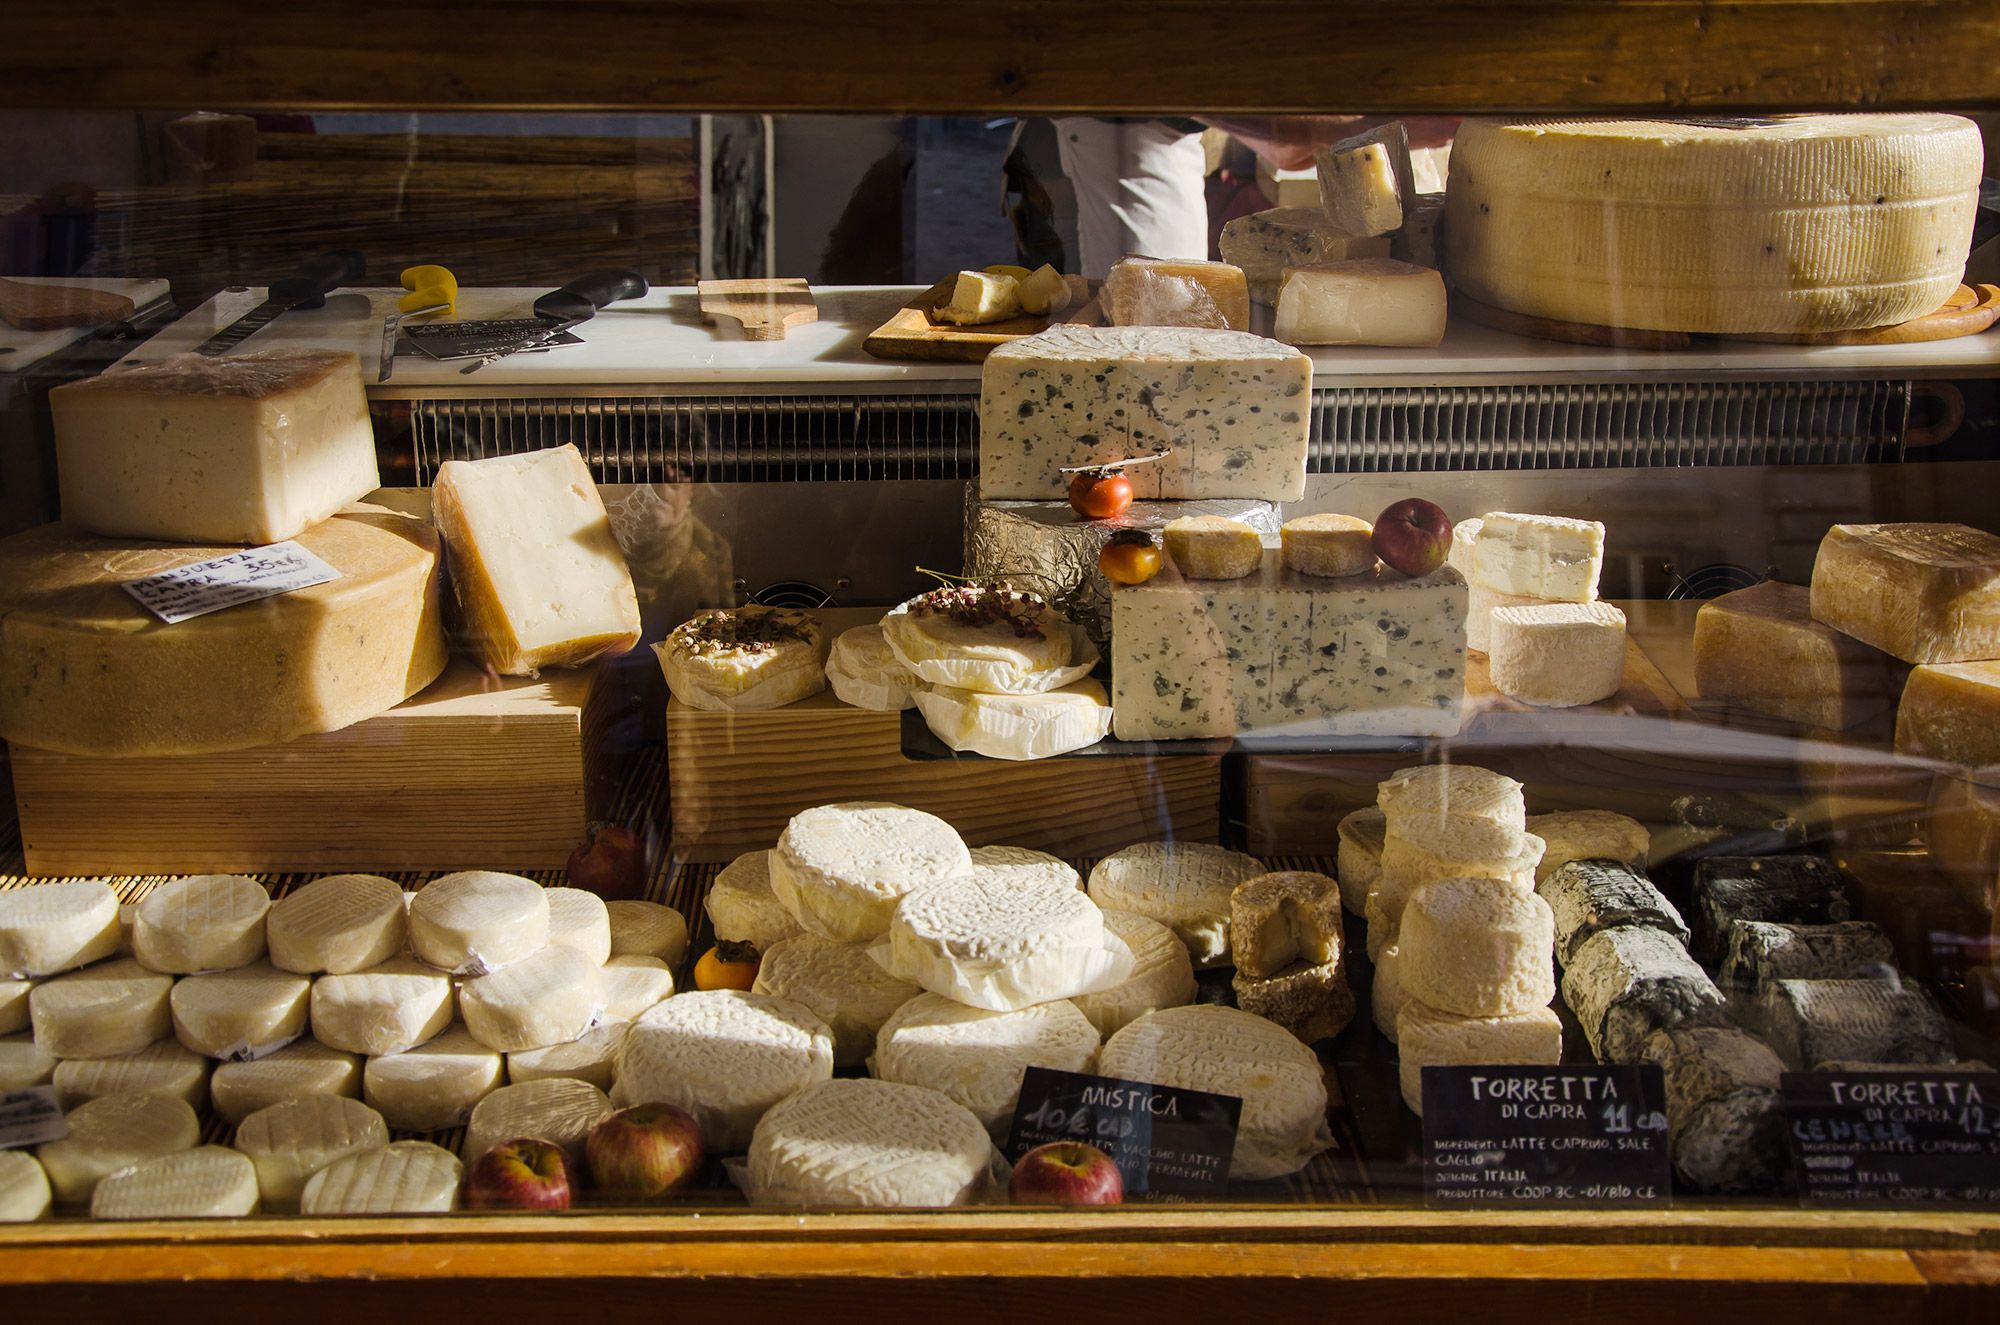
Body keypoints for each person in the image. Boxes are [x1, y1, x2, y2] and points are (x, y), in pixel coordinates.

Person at [1053, 115, 1459, 277]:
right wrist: (1293, 128)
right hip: (1122, 115)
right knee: (1148, 307)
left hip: (1173, 118)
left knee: (1175, 303)